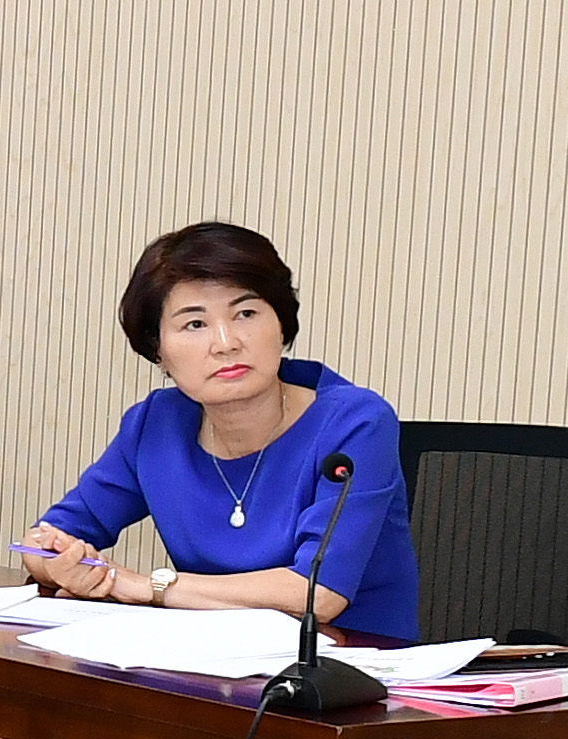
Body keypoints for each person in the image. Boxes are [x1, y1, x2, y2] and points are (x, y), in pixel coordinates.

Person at [22, 219, 417, 638]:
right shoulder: (156, 423)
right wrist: (60, 563)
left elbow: (318, 595)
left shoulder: (355, 422)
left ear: (281, 324)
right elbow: (47, 538)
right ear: (158, 350)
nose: (226, 342)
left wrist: (147, 586)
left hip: (350, 673)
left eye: (246, 313)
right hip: (212, 665)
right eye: (195, 324)